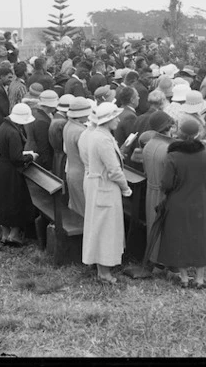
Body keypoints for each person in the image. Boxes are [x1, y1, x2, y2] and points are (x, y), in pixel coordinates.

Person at [156, 118, 206, 289]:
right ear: (197, 134)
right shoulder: (204, 154)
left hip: (177, 202)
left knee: (178, 237)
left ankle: (183, 278)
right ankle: (200, 278)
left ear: (179, 134)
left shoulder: (173, 155)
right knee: (200, 238)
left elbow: (166, 183)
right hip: (199, 201)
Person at [81, 102, 132, 284]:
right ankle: (104, 272)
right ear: (108, 120)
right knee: (106, 229)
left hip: (99, 184)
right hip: (105, 186)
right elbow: (114, 170)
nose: (118, 120)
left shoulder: (96, 134)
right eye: (115, 117)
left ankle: (102, 269)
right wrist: (126, 188)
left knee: (101, 226)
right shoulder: (102, 139)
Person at [0, 103, 38, 247]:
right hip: (12, 171)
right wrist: (31, 157)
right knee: (16, 201)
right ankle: (14, 235)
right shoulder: (13, 132)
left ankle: (5, 234)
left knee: (3, 201)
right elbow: (16, 158)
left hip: (2, 168)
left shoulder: (3, 126)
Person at [141, 111, 175, 265]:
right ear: (169, 126)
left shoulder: (149, 144)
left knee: (153, 224)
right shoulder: (169, 148)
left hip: (151, 189)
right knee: (166, 227)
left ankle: (154, 258)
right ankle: (165, 261)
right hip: (165, 192)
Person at [62, 97, 93, 217]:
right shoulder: (81, 131)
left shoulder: (68, 125)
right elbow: (87, 155)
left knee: (76, 206)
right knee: (83, 210)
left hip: (71, 170)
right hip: (81, 173)